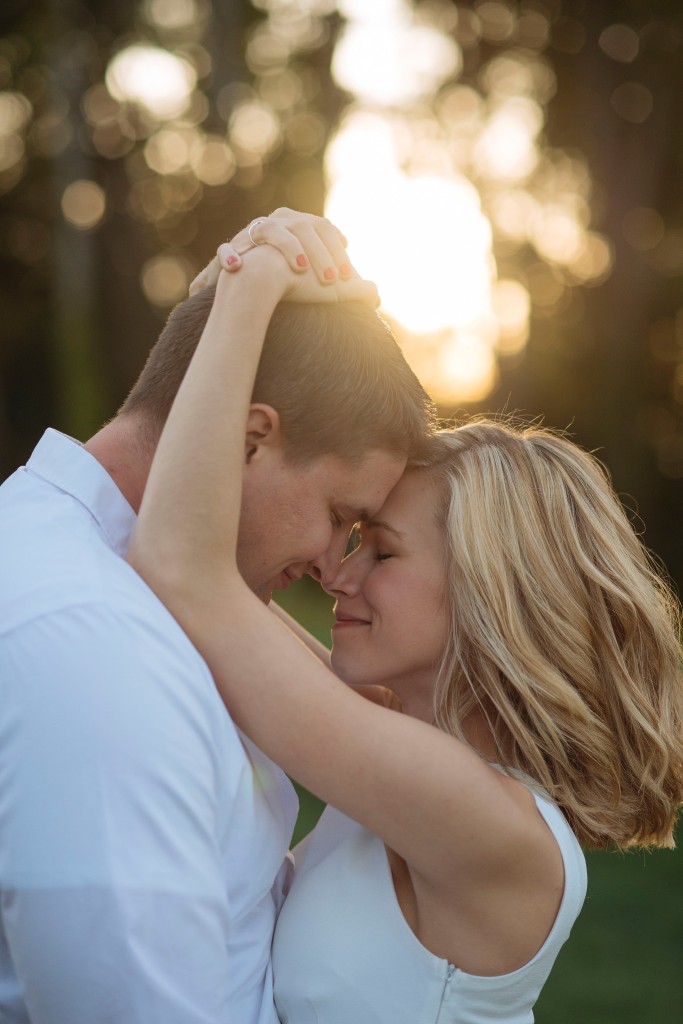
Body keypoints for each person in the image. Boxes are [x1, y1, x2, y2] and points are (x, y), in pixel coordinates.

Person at [128, 217, 683, 1024]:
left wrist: (250, 285)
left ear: (489, 595)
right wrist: (223, 304)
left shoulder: (481, 818)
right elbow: (206, 589)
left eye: (380, 551)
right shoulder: (403, 742)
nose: (336, 574)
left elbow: (185, 572)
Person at [0, 210, 434, 1023]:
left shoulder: (105, 582)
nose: (330, 565)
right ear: (248, 437)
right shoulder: (95, 648)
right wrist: (245, 287)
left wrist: (232, 299)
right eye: (339, 515)